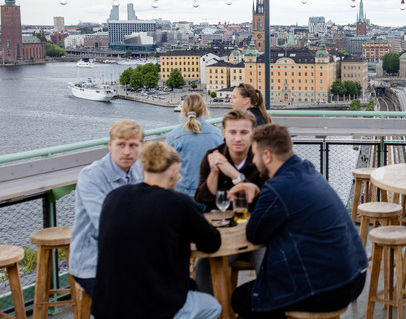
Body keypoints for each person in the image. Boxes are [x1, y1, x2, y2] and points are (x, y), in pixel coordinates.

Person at [229, 124, 367, 318]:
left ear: (267, 156)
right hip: (355, 275)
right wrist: (260, 193)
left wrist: (260, 195)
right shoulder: (307, 170)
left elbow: (254, 233)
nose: (253, 160)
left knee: (241, 299)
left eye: (255, 155)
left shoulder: (277, 187)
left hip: (331, 288)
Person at [92, 142, 222, 319]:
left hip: (107, 306)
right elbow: (212, 243)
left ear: (143, 170)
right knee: (212, 306)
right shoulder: (179, 202)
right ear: (174, 174)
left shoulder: (114, 196)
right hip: (154, 307)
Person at [69, 119, 144, 297]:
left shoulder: (139, 171)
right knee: (130, 304)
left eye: (133, 145)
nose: (126, 151)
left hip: (131, 259)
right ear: (110, 145)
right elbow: (108, 225)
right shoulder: (91, 176)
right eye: (121, 144)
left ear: (142, 146)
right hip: (93, 263)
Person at [193, 108, 266, 293]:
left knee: (270, 267)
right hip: (225, 236)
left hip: (258, 234)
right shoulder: (212, 156)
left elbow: (265, 201)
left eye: (244, 132)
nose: (238, 138)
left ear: (253, 134)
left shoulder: (262, 159)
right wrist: (216, 172)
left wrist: (233, 173)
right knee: (202, 268)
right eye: (232, 132)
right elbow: (202, 199)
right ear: (223, 133)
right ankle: (211, 312)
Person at [166, 94, 223, 197]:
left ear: (184, 112)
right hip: (210, 191)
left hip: (183, 194)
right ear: (203, 111)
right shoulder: (218, 134)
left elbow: (167, 170)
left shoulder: (173, 136)